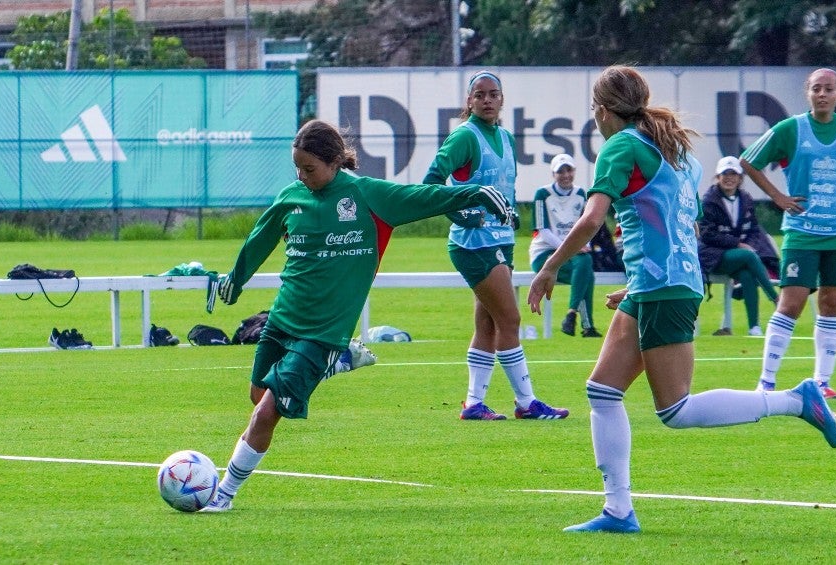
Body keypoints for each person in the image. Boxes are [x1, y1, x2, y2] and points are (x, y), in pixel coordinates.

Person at [527, 65, 836, 534]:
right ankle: (618, 512)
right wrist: (637, 286)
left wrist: (550, 266)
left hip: (665, 288)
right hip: (661, 284)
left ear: (603, 110)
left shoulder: (622, 145)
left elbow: (593, 219)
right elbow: (677, 227)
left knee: (676, 410)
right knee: (602, 391)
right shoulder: (674, 151)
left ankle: (796, 400)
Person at [200, 119, 516, 512]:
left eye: (310, 169)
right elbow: (260, 238)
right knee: (258, 398)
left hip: (323, 332)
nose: (302, 176)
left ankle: (223, 494)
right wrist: (236, 279)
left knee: (268, 413)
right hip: (282, 320)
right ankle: (339, 362)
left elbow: (424, 196)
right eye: (297, 168)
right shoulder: (291, 196)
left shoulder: (366, 195)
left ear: (335, 162)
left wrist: (475, 194)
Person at [423, 70, 568, 421]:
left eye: (493, 94)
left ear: (502, 100)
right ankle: (526, 402)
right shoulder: (465, 137)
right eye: (479, 95)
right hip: (474, 243)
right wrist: (460, 215)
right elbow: (431, 182)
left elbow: (504, 185)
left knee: (488, 324)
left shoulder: (505, 137)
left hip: (500, 240)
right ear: (469, 101)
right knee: (510, 318)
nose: (487, 100)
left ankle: (474, 403)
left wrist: (510, 214)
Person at [740, 68, 836, 400]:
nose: (822, 94)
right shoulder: (790, 129)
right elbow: (748, 161)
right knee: (790, 303)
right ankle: (765, 382)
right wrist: (777, 197)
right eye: (816, 89)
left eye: (829, 89)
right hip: (802, 232)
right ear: (807, 94)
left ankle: (822, 382)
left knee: (831, 303)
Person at [698, 156, 780, 337]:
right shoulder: (709, 201)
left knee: (747, 273)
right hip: (712, 257)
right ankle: (775, 298)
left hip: (736, 256)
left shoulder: (745, 199)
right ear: (717, 177)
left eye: (733, 174)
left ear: (740, 178)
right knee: (749, 256)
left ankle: (754, 327)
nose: (729, 178)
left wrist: (745, 244)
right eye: (725, 174)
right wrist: (738, 244)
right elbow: (707, 234)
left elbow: (753, 230)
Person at [529, 153, 602, 338]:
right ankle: (586, 325)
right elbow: (542, 231)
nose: (565, 175)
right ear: (553, 174)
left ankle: (573, 318)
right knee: (586, 273)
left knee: (585, 265)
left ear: (574, 171)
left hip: (572, 252)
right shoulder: (543, 194)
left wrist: (580, 245)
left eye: (569, 170)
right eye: (560, 171)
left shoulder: (580, 194)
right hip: (544, 253)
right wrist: (570, 247)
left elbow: (586, 226)